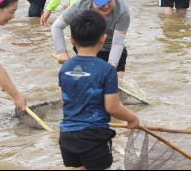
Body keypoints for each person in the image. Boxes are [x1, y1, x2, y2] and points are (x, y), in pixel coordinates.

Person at [57, 9, 139, 171]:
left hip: (67, 137)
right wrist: (132, 118)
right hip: (93, 137)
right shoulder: (107, 70)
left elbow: (63, 99)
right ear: (103, 38)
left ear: (72, 39)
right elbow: (112, 107)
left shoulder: (65, 67)